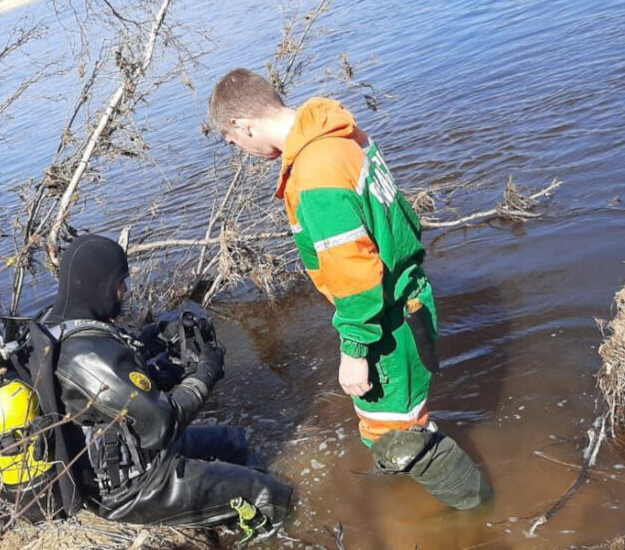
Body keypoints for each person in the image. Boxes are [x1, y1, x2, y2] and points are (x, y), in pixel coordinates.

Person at [207, 68, 491, 509]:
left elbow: (355, 274)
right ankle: (433, 476)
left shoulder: (314, 173)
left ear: (244, 125)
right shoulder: (338, 135)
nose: (240, 151)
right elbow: (401, 222)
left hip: (388, 322)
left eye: (233, 142)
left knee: (393, 437)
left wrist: (355, 349)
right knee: (402, 423)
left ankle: (480, 512)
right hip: (408, 301)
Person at [44, 234, 292, 536]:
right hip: (130, 488)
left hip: (137, 453)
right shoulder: (86, 358)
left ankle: (235, 514)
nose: (124, 290)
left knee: (232, 441)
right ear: (100, 286)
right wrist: (205, 373)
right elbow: (163, 423)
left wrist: (159, 334)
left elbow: (121, 363)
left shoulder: (63, 324)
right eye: (120, 283)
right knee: (268, 493)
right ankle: (273, 525)